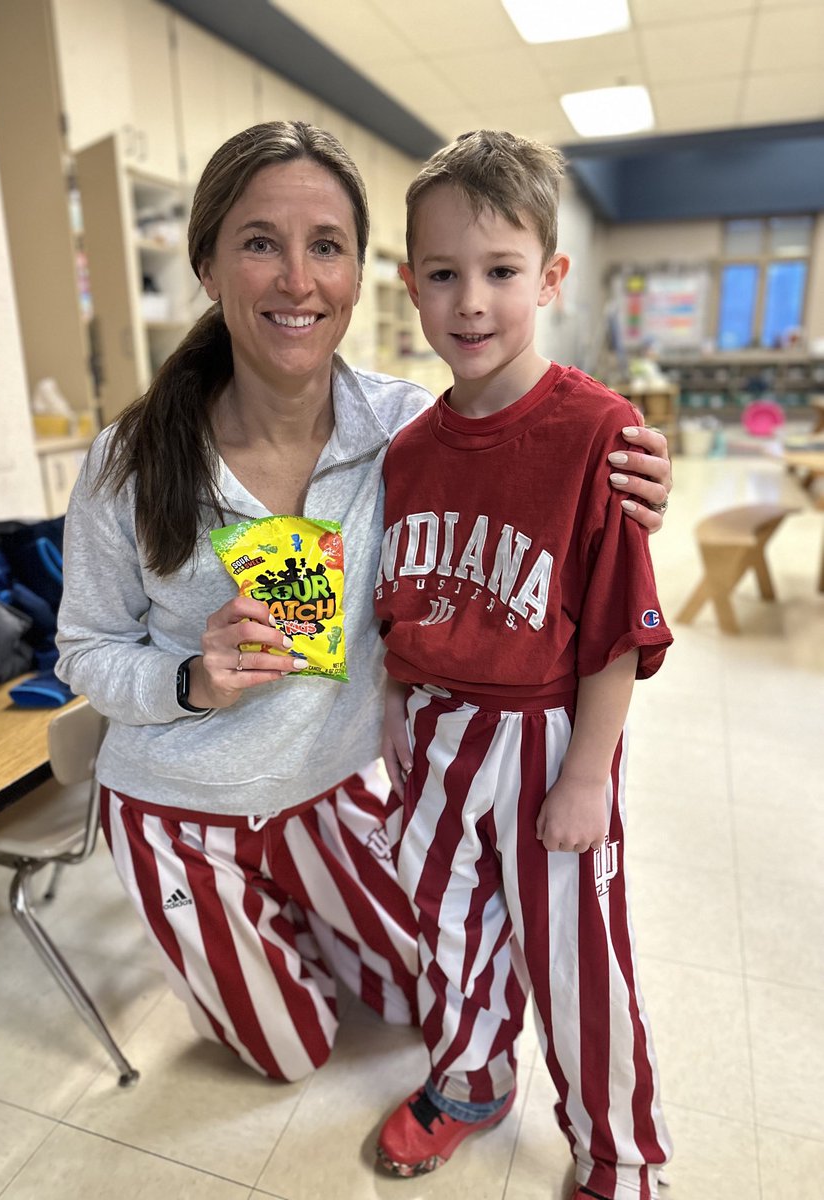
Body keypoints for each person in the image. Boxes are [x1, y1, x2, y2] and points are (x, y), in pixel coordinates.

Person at [55, 121, 673, 1088]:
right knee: (294, 1055)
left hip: (334, 786)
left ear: (358, 272)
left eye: (326, 246)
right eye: (260, 242)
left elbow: (532, 476)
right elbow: (84, 648)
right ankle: (217, 919)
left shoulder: (404, 428)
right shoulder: (128, 464)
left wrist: (623, 476)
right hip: (183, 804)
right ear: (209, 265)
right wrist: (189, 678)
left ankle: (293, 912)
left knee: (406, 994)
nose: (297, 280)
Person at [373, 130, 672, 1200]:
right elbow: (397, 606)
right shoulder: (406, 449)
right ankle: (472, 1082)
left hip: (548, 740)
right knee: (448, 934)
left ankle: (620, 1155)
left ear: (549, 275)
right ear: (410, 286)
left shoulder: (602, 433)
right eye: (444, 275)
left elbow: (616, 630)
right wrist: (397, 734)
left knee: (579, 962)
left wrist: (590, 773)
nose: (471, 302)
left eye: (501, 272)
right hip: (432, 737)